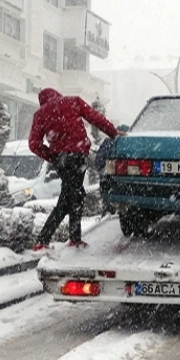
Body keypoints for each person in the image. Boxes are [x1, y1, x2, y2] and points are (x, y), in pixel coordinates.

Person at [29, 88, 121, 250]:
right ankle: (49, 240)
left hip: (61, 160)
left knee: (74, 194)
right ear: (57, 94)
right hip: (77, 156)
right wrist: (113, 133)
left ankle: (68, 238)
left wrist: (53, 156)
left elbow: (34, 144)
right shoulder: (73, 101)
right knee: (72, 196)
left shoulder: (40, 114)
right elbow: (95, 118)